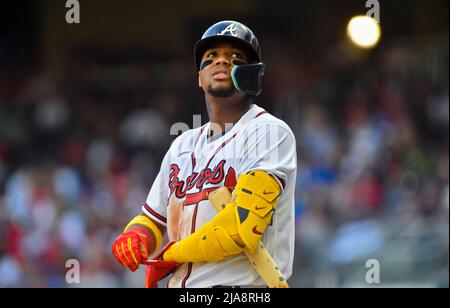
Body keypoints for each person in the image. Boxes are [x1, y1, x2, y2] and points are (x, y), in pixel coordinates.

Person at [112, 20, 297, 288]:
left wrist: (171, 255)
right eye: (211, 58)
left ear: (252, 73)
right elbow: (153, 218)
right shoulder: (182, 145)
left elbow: (241, 227)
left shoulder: (269, 132)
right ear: (199, 78)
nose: (221, 62)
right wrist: (137, 236)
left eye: (235, 58)